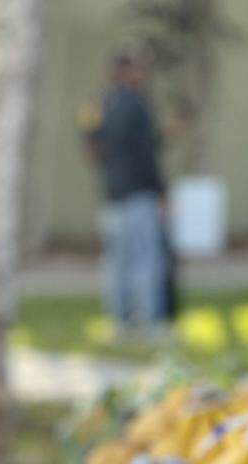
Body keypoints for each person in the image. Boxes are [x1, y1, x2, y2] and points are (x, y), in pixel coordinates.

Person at [81, 49, 169, 331]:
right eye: (139, 69)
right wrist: (161, 192)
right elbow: (147, 155)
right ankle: (147, 321)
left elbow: (91, 146)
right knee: (145, 258)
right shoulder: (138, 105)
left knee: (117, 261)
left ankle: (119, 321)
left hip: (112, 193)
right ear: (126, 72)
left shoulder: (99, 105)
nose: (144, 75)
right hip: (139, 194)